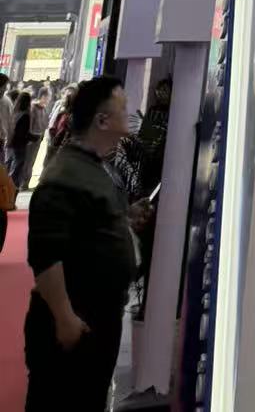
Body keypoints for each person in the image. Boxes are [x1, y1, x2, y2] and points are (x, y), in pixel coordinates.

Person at [25, 74, 151, 412]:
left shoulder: (97, 168)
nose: (129, 113)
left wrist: (125, 219)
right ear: (102, 120)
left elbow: (89, 224)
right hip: (76, 319)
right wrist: (64, 316)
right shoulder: (65, 176)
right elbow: (46, 256)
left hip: (98, 316)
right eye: (123, 107)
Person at [9, 92, 35, 189]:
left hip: (13, 143)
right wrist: (33, 137)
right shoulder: (26, 115)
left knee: (12, 165)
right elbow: (23, 133)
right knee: (17, 168)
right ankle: (12, 188)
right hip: (20, 145)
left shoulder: (15, 112)